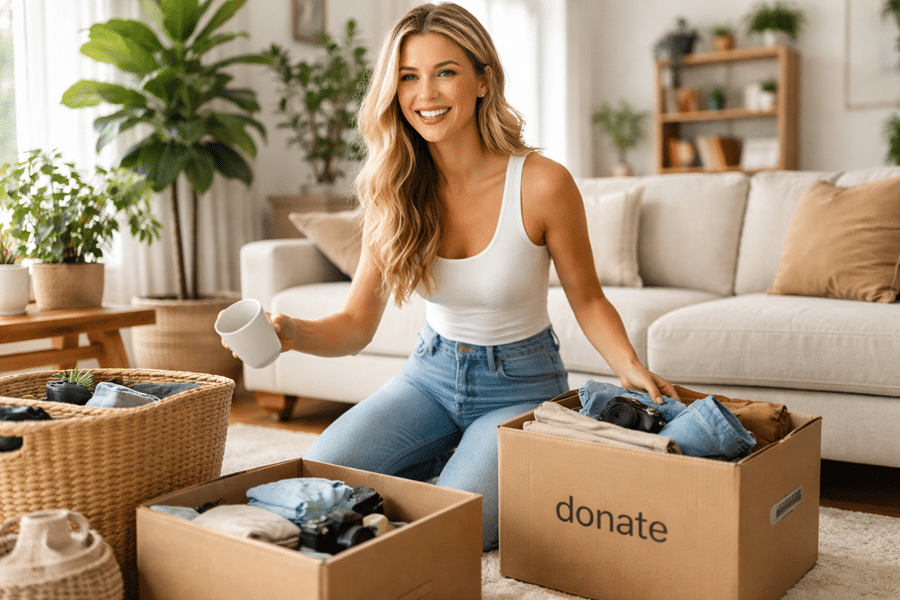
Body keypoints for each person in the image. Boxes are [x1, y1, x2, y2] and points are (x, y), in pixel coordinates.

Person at [231, 2, 678, 551]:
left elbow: (588, 300)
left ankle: (455, 463)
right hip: (429, 377)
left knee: (456, 530)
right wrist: (290, 333)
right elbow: (355, 324)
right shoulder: (393, 189)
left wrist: (629, 365)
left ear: (483, 80)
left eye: (445, 72)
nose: (426, 94)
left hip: (520, 386)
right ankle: (445, 455)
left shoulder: (542, 183)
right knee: (317, 481)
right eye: (408, 77)